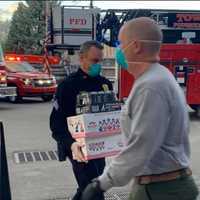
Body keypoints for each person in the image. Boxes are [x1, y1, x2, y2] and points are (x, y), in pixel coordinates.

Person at [80, 17, 199, 200]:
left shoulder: (151, 86)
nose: (118, 49)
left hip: (161, 190)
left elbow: (141, 146)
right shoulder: (155, 78)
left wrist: (101, 183)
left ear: (135, 46)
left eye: (120, 43)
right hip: (157, 186)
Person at [49, 40, 113, 200]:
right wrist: (72, 144)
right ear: (81, 58)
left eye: (101, 61)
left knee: (89, 187)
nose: (98, 65)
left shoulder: (105, 84)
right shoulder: (68, 86)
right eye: (95, 61)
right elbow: (56, 124)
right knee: (93, 188)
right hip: (78, 147)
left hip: (99, 146)